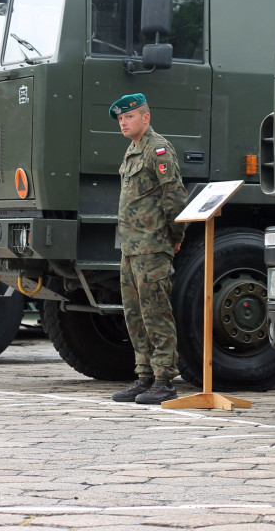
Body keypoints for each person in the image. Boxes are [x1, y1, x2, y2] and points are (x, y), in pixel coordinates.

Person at [109, 93, 188, 405]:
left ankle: (165, 380)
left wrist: (175, 235)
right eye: (120, 119)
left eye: (129, 117)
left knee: (156, 313)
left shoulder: (158, 149)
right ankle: (144, 376)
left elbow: (175, 196)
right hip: (131, 248)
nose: (124, 123)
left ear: (146, 118)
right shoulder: (132, 151)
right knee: (135, 314)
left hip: (153, 246)